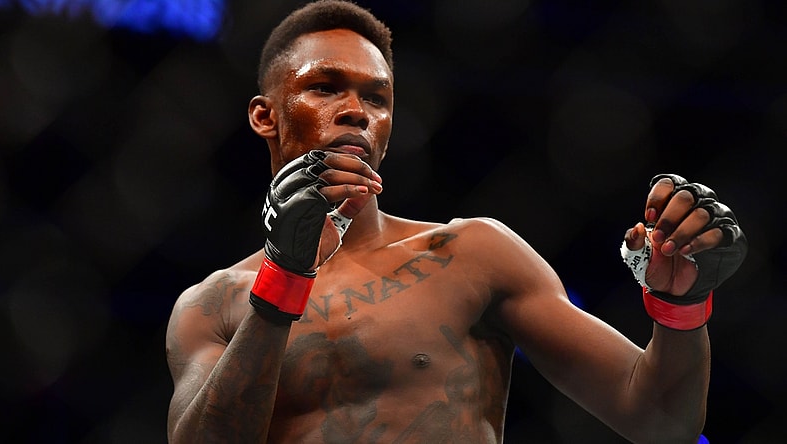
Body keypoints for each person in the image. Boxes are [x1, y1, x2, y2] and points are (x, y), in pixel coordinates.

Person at [164, 1, 747, 442]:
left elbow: (658, 421)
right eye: (324, 87)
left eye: (377, 98)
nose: (355, 113)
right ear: (265, 116)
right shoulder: (215, 303)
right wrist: (284, 277)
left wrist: (680, 311)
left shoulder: (470, 254)